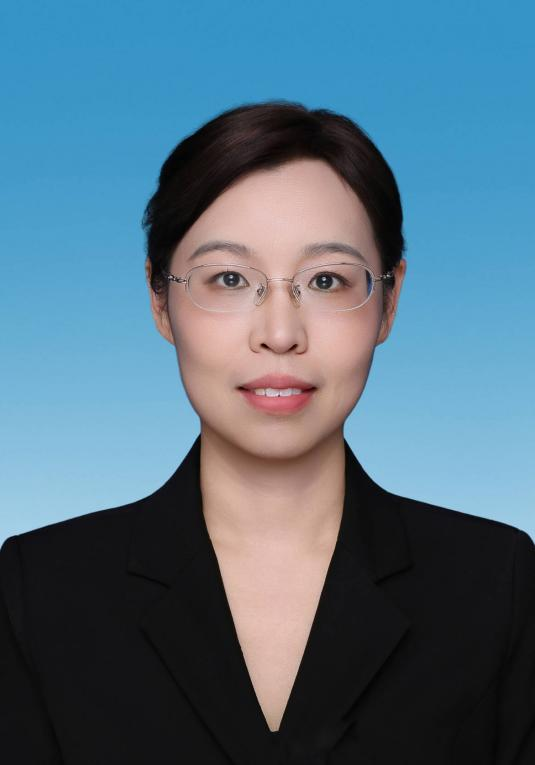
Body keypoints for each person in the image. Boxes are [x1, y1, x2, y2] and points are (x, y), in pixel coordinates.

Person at [1, 100, 534, 765]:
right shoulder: (41, 590)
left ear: (389, 300)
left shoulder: (494, 583)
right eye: (228, 278)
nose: (280, 333)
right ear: (159, 299)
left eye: (326, 280)